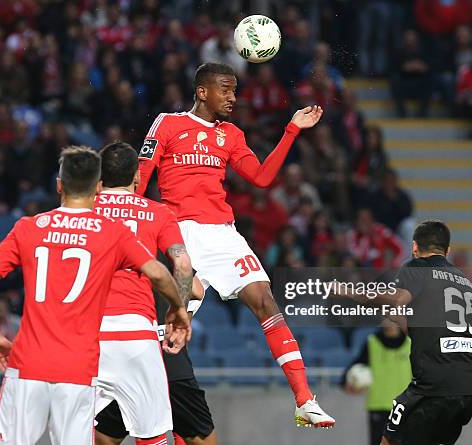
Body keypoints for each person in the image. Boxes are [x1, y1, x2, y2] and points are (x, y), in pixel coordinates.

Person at [136, 62, 334, 428]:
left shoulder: (232, 134)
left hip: (224, 235)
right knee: (175, 332)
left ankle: (305, 398)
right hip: (180, 232)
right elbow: (139, 181)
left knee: (265, 300)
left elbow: (260, 178)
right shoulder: (168, 124)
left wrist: (291, 130)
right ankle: (163, 419)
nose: (233, 97)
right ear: (202, 92)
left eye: (235, 90)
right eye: (225, 90)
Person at [0, 146, 191, 445]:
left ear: (59, 185)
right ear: (97, 186)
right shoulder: (111, 231)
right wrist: (178, 309)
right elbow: (163, 272)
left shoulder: (29, 226)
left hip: (34, 357)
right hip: (87, 359)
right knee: (150, 435)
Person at [92, 142, 213, 445]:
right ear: (136, 176)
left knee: (98, 436)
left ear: (98, 178)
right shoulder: (156, 214)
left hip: (88, 337)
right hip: (142, 339)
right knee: (155, 433)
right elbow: (186, 272)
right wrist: (178, 310)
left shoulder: (82, 212)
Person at [337, 220, 472, 445]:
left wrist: (353, 293)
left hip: (435, 384)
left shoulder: (416, 267)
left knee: (388, 441)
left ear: (415, 247)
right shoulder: (464, 281)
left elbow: (397, 301)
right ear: (448, 250)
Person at [341, 320, 412, 445]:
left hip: (405, 407)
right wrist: (347, 383)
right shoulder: (372, 342)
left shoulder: (411, 342)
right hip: (378, 405)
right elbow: (355, 366)